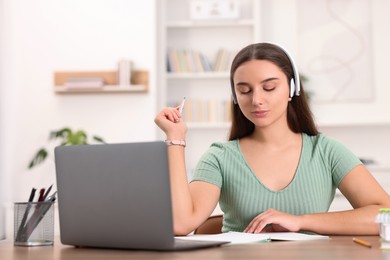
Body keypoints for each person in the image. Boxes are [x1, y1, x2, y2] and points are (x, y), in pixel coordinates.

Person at [154, 42, 390, 236]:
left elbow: (385, 215)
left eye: (269, 87)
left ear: (292, 89)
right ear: (235, 96)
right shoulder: (219, 157)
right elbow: (181, 224)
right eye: (244, 90)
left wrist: (300, 221)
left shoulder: (326, 151)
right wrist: (175, 139)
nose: (256, 99)